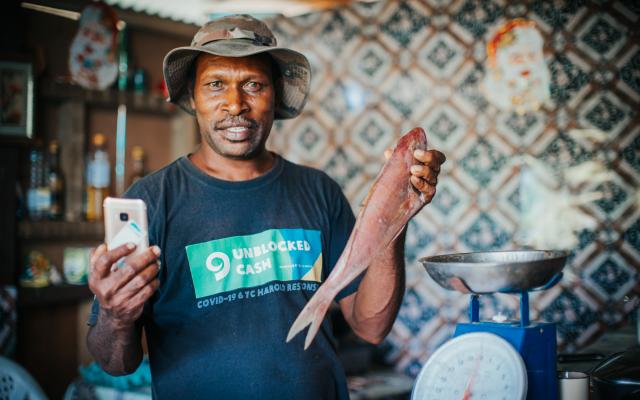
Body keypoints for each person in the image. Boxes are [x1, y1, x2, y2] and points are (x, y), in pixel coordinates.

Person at [86, 14, 446, 400]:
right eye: (215, 85)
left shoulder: (318, 190)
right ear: (193, 97)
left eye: (253, 85)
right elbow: (115, 363)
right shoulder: (149, 200)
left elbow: (370, 327)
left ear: (275, 95)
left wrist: (397, 213)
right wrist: (115, 314)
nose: (235, 104)